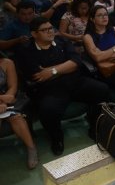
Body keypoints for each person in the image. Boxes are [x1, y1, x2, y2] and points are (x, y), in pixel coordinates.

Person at [16, 17, 109, 155]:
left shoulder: (62, 41)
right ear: (34, 34)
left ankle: (93, 125)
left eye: (51, 28)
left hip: (75, 82)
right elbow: (37, 75)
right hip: (50, 89)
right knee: (47, 110)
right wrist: (66, 67)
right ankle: (56, 137)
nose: (50, 32)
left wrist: (52, 70)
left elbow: (76, 62)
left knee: (102, 90)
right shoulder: (26, 50)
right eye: (44, 30)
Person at [82, 5, 115, 107]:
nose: (104, 17)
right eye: (100, 15)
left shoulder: (114, 30)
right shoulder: (88, 37)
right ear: (92, 19)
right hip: (106, 72)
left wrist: (105, 54)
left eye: (106, 14)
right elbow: (97, 58)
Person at [0, 58, 38, 169]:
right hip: (4, 99)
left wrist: (4, 102)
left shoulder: (7, 63)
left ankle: (32, 148)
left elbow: (13, 88)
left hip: (9, 100)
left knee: (16, 117)